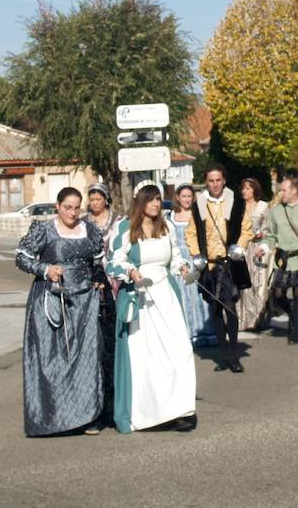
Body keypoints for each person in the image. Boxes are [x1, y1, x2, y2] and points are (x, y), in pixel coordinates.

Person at [107, 182, 196, 433]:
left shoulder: (165, 227)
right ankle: (149, 413)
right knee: (147, 358)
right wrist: (131, 272)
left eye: (158, 199)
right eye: (151, 199)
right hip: (141, 298)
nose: (156, 204)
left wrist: (184, 267)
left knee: (179, 350)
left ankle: (178, 408)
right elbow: (113, 261)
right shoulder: (126, 228)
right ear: (140, 202)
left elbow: (175, 258)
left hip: (166, 295)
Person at [16, 187, 104, 436]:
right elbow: (21, 258)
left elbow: (97, 260)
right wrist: (46, 269)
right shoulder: (43, 230)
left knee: (87, 358)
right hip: (51, 299)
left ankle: (87, 416)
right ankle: (53, 417)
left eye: (77, 207)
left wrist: (98, 276)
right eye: (68, 207)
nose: (73, 213)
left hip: (85, 302)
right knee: (52, 360)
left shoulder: (90, 230)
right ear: (57, 206)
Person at [186, 164, 253, 373]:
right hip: (210, 265)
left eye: (218, 180)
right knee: (214, 309)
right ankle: (223, 356)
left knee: (230, 307)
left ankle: (234, 356)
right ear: (207, 182)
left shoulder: (236, 203)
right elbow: (191, 233)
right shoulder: (199, 205)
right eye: (211, 180)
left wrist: (240, 247)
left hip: (230, 263)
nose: (215, 184)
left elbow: (246, 228)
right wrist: (197, 254)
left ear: (224, 180)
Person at [256, 175, 298, 344]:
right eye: (280, 190)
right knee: (277, 294)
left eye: (284, 190)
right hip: (282, 258)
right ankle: (292, 314)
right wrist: (263, 247)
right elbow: (271, 236)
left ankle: (295, 331)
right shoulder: (275, 211)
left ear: (294, 190)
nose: (281, 193)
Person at [82, 183, 121, 430]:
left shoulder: (118, 221)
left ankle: (114, 406)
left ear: (106, 200)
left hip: (114, 281)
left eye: (99, 198)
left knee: (111, 346)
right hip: (90, 282)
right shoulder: (83, 223)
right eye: (92, 198)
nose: (95, 202)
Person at [167, 183, 217, 346]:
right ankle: (191, 334)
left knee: (201, 296)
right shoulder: (170, 217)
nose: (187, 199)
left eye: (189, 196)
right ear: (177, 198)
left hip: (197, 259)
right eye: (184, 196)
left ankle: (208, 332)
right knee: (185, 297)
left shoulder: (199, 214)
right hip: (180, 261)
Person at [236, 178, 271, 331]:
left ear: (254, 190)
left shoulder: (263, 206)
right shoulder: (238, 207)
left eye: (248, 188)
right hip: (243, 247)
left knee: (258, 283)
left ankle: (258, 317)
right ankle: (242, 319)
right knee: (243, 284)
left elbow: (270, 227)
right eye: (243, 188)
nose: (245, 191)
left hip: (258, 247)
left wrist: (262, 234)